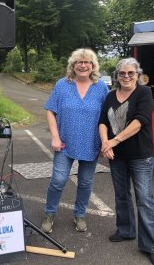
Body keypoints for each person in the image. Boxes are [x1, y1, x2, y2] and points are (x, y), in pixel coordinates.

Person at [98, 58, 154, 265]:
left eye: (130, 73)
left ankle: (151, 246)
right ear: (116, 76)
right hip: (116, 156)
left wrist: (113, 141)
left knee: (144, 200)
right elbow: (102, 121)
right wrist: (104, 143)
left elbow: (140, 121)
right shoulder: (109, 96)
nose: (126, 76)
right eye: (122, 73)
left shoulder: (144, 93)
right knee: (121, 195)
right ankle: (125, 231)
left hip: (140, 155)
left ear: (137, 75)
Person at [41, 48, 109, 234]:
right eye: (79, 61)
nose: (83, 65)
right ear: (73, 65)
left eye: (87, 62)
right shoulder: (62, 85)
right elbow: (50, 110)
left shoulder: (101, 87)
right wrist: (55, 137)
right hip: (64, 143)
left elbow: (106, 116)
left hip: (91, 143)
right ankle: (49, 214)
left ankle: (80, 214)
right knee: (58, 180)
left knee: (86, 182)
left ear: (93, 66)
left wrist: (106, 141)